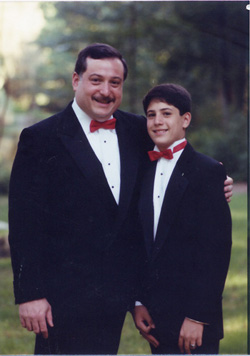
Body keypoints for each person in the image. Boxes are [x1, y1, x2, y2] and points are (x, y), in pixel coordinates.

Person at [8, 43, 233, 355]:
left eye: (114, 83)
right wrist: (30, 294)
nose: (105, 91)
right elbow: (23, 221)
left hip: (118, 295)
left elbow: (179, 159)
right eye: (96, 80)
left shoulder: (138, 129)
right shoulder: (41, 138)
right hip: (62, 300)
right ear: (76, 80)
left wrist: (215, 181)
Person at [133, 83, 232, 355]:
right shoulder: (143, 169)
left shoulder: (208, 171)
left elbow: (216, 250)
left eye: (167, 113)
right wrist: (138, 301)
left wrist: (198, 316)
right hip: (155, 316)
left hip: (195, 320)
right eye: (151, 115)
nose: (157, 121)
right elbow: (141, 242)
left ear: (185, 119)